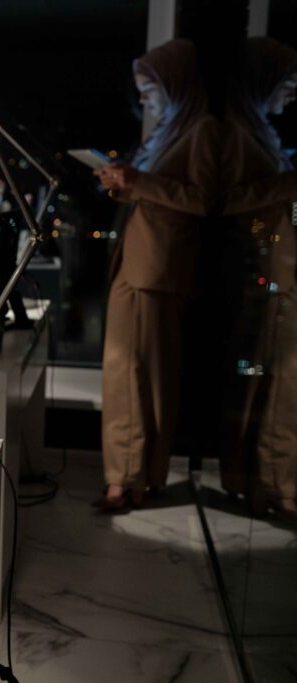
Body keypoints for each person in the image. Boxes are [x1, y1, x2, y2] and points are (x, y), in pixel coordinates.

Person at [92, 40, 221, 511]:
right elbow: (159, 196)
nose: (145, 99)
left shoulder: (201, 130)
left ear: (175, 83)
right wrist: (124, 186)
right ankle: (122, 477)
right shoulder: (168, 131)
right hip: (136, 262)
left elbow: (203, 199)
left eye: (150, 88)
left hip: (159, 268)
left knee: (150, 377)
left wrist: (139, 182)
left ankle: (139, 477)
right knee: (122, 374)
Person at [220, 38, 297, 521]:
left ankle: (274, 482)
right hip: (269, 280)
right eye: (288, 85)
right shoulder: (244, 136)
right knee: (278, 387)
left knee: (281, 388)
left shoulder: (262, 135)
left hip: (277, 277)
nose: (292, 95)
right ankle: (274, 484)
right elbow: (244, 202)